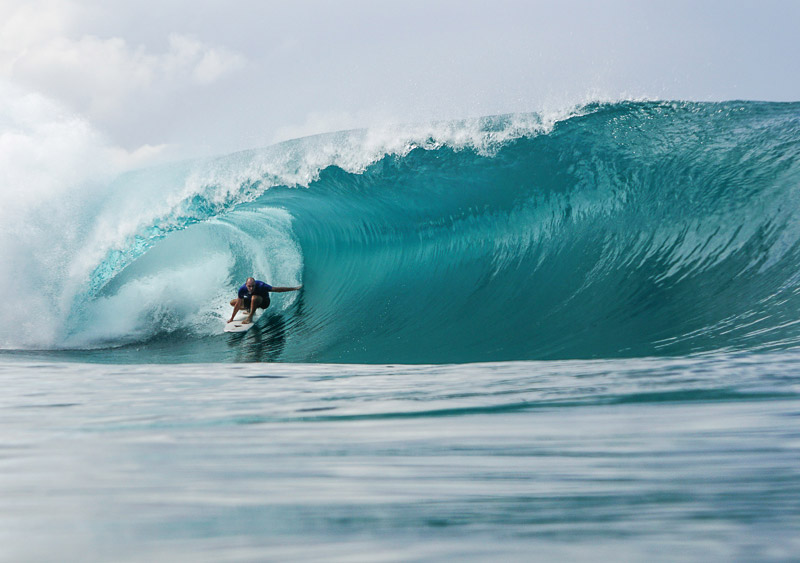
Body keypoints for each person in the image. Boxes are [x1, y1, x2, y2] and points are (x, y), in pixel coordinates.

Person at [228, 277, 302, 324]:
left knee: (254, 297)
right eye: (249, 286)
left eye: (253, 286)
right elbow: (238, 304)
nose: (251, 288)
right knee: (233, 303)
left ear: (255, 284)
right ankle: (249, 310)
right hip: (252, 301)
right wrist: (232, 318)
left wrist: (294, 288)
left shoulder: (261, 286)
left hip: (264, 302)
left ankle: (250, 317)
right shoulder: (242, 289)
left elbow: (278, 289)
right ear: (246, 285)